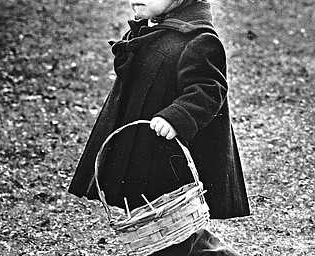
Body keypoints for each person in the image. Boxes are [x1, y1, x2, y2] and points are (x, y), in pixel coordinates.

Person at [69, 0, 250, 255]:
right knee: (153, 223)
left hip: (169, 160)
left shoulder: (197, 40)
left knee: (176, 227)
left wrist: (177, 117)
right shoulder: (151, 31)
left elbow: (208, 90)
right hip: (139, 151)